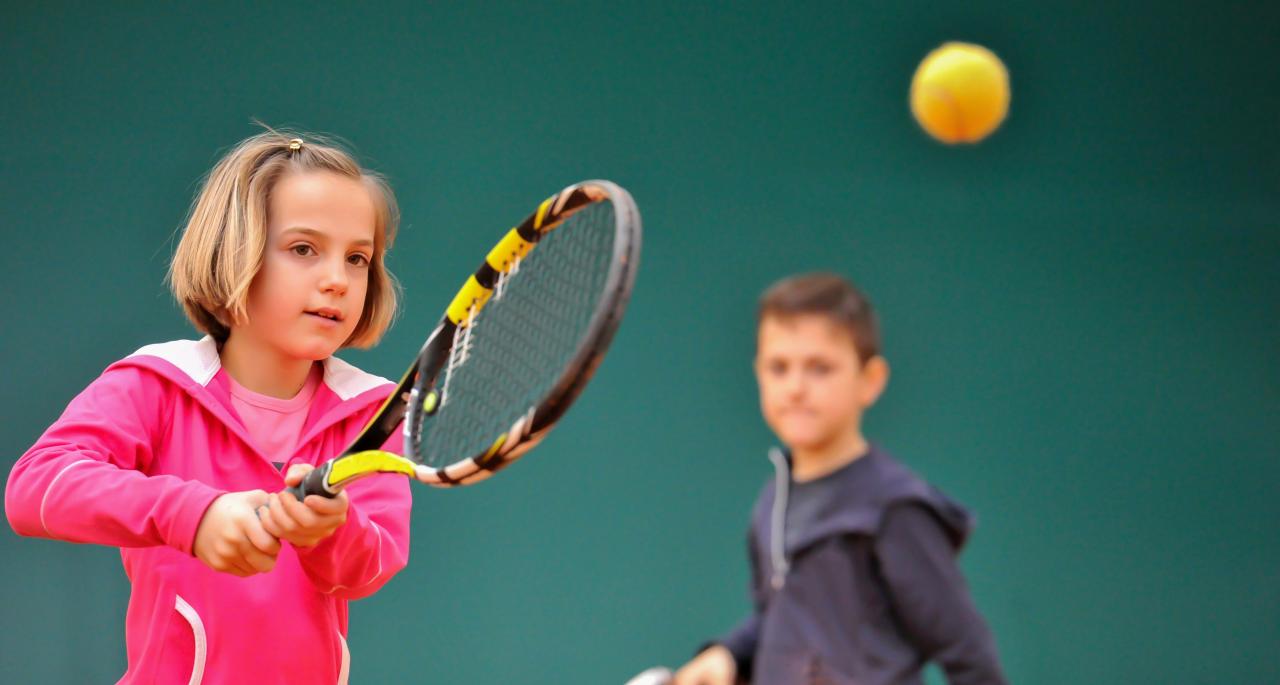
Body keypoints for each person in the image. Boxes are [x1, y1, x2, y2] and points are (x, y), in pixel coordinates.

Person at [5, 131, 412, 684]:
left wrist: (330, 531)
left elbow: (370, 569)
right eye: (303, 249)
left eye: (358, 258)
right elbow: (34, 488)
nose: (338, 279)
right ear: (233, 254)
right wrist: (193, 517)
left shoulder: (372, 414)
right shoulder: (155, 384)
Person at [673, 273, 1006, 685]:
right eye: (779, 368)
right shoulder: (773, 500)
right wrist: (726, 653)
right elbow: (780, 617)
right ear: (758, 373)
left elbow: (970, 655)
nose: (795, 388)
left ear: (870, 381)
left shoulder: (894, 508)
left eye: (820, 368)